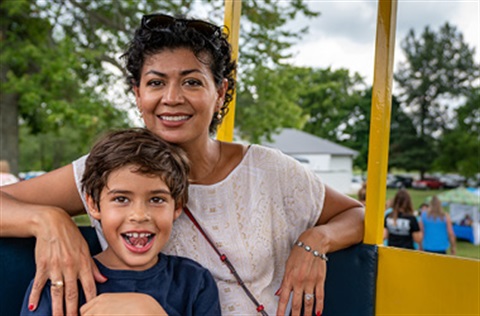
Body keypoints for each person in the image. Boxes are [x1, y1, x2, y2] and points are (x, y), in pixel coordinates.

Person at [0, 13, 364, 316]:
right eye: (156, 82)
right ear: (138, 94)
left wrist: (316, 240)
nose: (172, 98)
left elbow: (358, 215)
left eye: (191, 81)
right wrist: (48, 219)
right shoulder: (108, 168)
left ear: (219, 92)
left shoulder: (270, 170)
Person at [19, 128, 221, 315]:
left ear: (177, 206)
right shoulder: (60, 281)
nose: (140, 215)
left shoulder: (194, 282)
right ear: (94, 205)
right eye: (121, 199)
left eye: (156, 199)